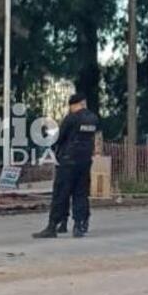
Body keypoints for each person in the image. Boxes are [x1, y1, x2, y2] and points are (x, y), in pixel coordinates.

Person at [33, 93, 99, 239]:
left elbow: (59, 137)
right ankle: (79, 226)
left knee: (61, 193)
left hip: (68, 161)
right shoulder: (93, 119)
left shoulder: (71, 118)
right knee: (81, 193)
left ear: (74, 105)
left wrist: (53, 148)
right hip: (85, 161)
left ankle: (53, 226)